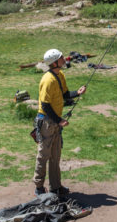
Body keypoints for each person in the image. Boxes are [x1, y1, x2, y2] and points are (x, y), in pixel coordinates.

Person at [33, 48, 86, 198]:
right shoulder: (47, 80)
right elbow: (45, 105)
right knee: (43, 154)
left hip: (55, 121)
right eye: (61, 57)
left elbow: (65, 94)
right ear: (55, 62)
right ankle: (39, 187)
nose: (65, 58)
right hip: (46, 122)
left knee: (55, 155)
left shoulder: (60, 75)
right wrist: (60, 121)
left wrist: (78, 92)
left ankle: (55, 187)